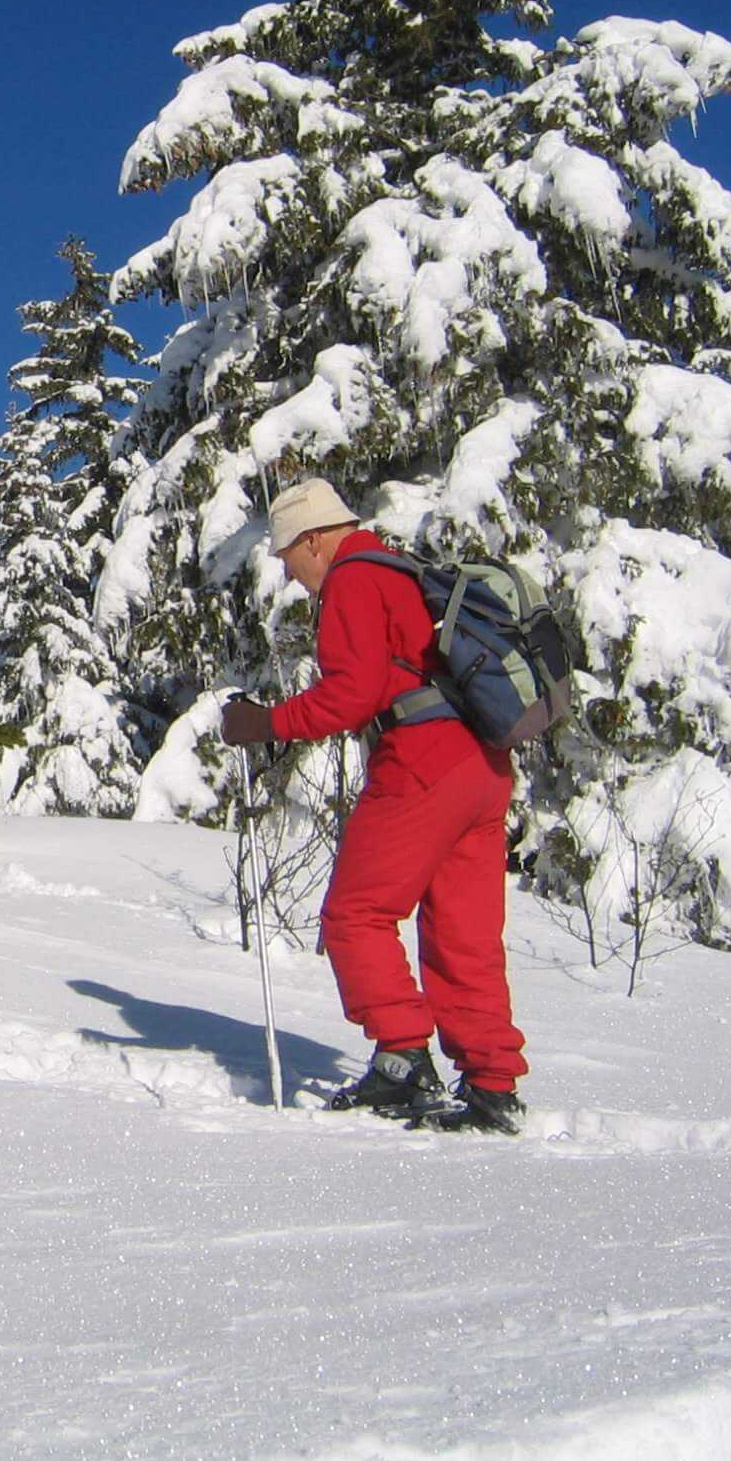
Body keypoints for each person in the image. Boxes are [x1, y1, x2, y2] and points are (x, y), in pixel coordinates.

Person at [219, 479, 527, 1133]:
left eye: (287, 556)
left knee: (356, 913)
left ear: (312, 539)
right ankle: (492, 1082)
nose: (288, 571)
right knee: (462, 932)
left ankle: (403, 1061)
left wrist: (265, 724)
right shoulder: (399, 570)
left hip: (423, 758)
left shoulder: (355, 578)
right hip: (483, 762)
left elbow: (351, 696)